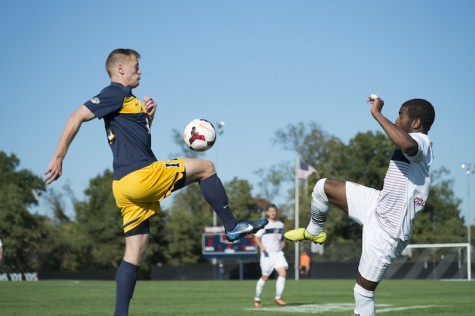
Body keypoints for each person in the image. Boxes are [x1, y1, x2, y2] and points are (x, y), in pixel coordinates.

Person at [44, 48, 268, 316]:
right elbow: (76, 116)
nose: (140, 70)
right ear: (120, 70)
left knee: (135, 252)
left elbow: (137, 141)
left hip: (124, 187)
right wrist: (59, 156)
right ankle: (231, 225)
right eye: (136, 66)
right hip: (141, 176)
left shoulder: (129, 100)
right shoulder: (114, 92)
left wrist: (147, 118)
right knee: (206, 167)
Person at [285, 96, 435, 316]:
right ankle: (314, 232)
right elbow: (400, 139)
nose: (396, 119)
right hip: (377, 204)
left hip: (389, 230)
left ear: (416, 123)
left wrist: (376, 113)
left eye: (401, 115)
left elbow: (407, 144)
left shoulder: (422, 141)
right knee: (322, 187)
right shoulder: (411, 136)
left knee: (363, 292)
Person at [253, 204, 288, 307]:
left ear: (276, 212)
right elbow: (256, 237)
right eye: (270, 211)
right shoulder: (264, 224)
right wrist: (261, 246)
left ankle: (278, 298)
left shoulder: (280, 224)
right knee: (265, 277)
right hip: (267, 255)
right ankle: (257, 299)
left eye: (274, 211)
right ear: (267, 213)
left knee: (283, 273)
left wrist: (283, 242)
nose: (273, 213)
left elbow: (280, 237)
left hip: (278, 253)